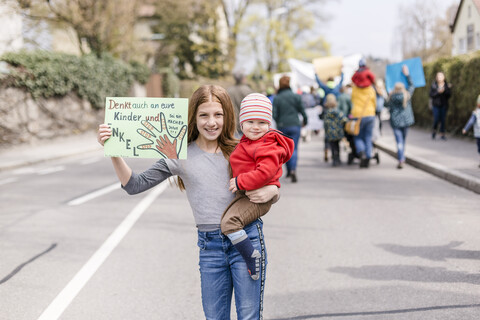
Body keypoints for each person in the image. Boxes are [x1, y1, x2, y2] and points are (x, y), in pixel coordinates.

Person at [97, 85, 279, 319]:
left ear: (228, 116)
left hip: (246, 241)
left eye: (218, 115)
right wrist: (113, 150)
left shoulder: (243, 149)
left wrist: (273, 190)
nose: (211, 122)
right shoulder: (178, 154)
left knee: (249, 316)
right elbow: (134, 185)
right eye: (204, 115)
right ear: (193, 117)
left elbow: (270, 180)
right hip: (210, 248)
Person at [221, 93, 294, 280]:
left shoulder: (267, 145)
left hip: (259, 196)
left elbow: (265, 173)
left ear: (269, 125)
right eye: (250, 121)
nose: (255, 127)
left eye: (262, 123)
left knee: (229, 223)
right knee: (227, 219)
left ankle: (252, 257)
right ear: (241, 123)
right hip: (249, 194)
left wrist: (240, 182)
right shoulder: (247, 141)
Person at [273, 75, 308, 183]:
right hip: (295, 125)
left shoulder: (277, 98)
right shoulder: (296, 96)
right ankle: (293, 170)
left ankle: (288, 170)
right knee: (294, 149)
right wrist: (305, 121)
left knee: (284, 149)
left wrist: (279, 122)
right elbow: (302, 110)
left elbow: (274, 114)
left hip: (282, 126)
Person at [384, 65, 415, 169]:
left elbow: (385, 105)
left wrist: (388, 92)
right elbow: (412, 85)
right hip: (406, 122)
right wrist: (407, 75)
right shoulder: (406, 95)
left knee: (399, 141)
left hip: (395, 123)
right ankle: (402, 157)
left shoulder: (391, 97)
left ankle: (401, 159)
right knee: (403, 140)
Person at [350, 75, 377, 168]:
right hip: (370, 114)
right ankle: (368, 155)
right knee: (368, 137)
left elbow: (352, 101)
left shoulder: (355, 89)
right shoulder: (371, 89)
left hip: (358, 115)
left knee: (358, 136)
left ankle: (362, 153)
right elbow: (374, 102)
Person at [322, 94, 348, 166]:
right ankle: (338, 159)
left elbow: (325, 123)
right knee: (337, 146)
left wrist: (326, 131)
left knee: (333, 146)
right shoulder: (338, 112)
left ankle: (334, 159)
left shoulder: (327, 113)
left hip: (330, 133)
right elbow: (344, 120)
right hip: (338, 132)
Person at [227, 70, 254, 135]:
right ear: (243, 78)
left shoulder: (229, 90)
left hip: (233, 125)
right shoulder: (247, 90)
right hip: (246, 124)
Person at [429, 71, 452, 140]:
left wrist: (445, 90)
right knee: (436, 119)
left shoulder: (446, 85)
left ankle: (442, 134)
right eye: (438, 76)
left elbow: (449, 95)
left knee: (443, 119)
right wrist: (438, 92)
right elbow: (431, 95)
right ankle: (434, 130)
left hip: (444, 105)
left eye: (441, 76)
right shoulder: (434, 85)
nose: (439, 78)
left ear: (443, 77)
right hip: (436, 105)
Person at [462, 94, 480, 168]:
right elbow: (471, 121)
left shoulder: (476, 112)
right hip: (478, 133)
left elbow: (471, 121)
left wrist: (465, 129)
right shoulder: (476, 113)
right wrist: (466, 128)